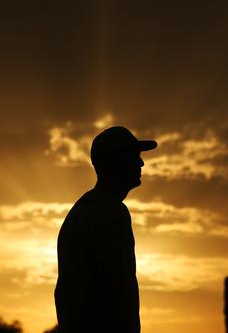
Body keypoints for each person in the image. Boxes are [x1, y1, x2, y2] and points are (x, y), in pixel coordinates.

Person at [55, 126, 157, 333]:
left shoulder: (84, 210)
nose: (141, 162)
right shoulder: (110, 212)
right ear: (115, 162)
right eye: (133, 156)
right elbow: (117, 293)